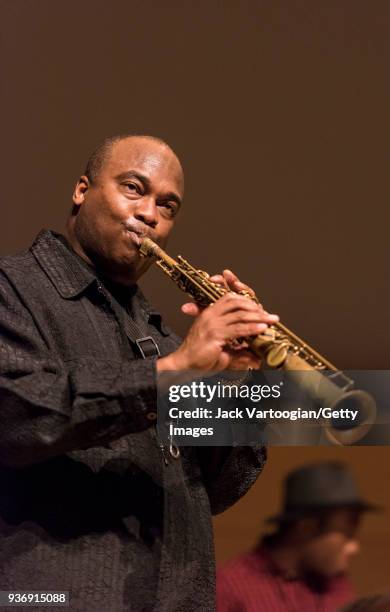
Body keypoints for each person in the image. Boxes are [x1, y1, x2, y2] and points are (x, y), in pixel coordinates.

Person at [0, 134, 279, 611]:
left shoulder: (167, 340)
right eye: (134, 188)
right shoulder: (14, 288)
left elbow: (219, 490)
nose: (151, 214)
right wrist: (170, 373)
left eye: (167, 206)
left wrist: (235, 384)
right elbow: (16, 416)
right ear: (82, 190)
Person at [217, 461, 378, 612]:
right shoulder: (230, 588)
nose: (354, 548)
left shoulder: (335, 582)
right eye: (346, 535)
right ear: (306, 527)